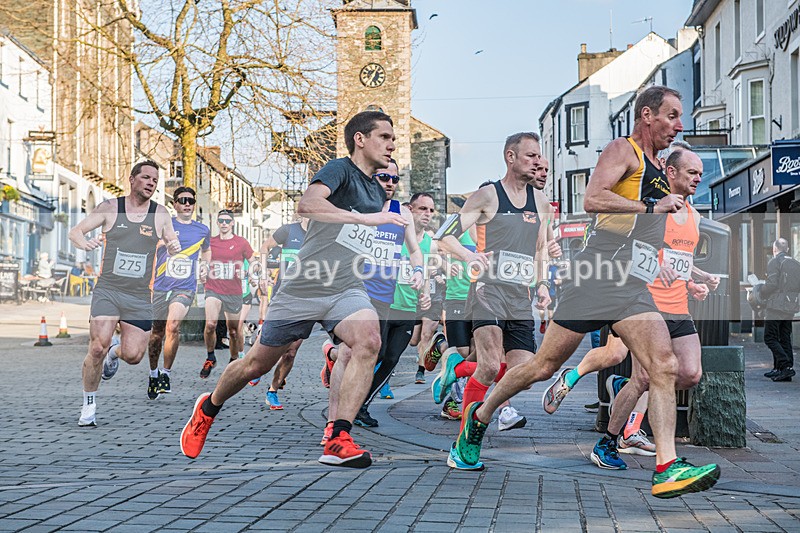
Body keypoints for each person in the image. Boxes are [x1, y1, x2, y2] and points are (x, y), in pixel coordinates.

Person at [452, 86, 721, 499]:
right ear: (647, 115)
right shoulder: (623, 149)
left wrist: (669, 265)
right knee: (541, 366)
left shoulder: (655, 167)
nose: (678, 124)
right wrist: (651, 209)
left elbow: (644, 236)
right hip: (596, 278)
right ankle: (479, 418)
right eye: (671, 115)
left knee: (663, 365)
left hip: (630, 284)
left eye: (679, 117)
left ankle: (666, 466)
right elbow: (592, 198)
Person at [180, 110, 405, 468]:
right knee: (255, 365)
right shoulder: (339, 170)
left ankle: (338, 436)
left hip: (344, 285)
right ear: (360, 139)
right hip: (304, 287)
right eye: (385, 137)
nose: (392, 144)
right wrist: (364, 218)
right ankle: (208, 408)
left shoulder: (377, 189)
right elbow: (308, 204)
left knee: (369, 341)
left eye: (393, 139)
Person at [542, 148, 720, 463]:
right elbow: (630, 250)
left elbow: (680, 259)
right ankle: (614, 439)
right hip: (642, 301)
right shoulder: (650, 211)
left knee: (689, 373)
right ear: (670, 172)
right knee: (640, 372)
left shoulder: (695, 216)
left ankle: (626, 400)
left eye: (699, 174)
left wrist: (696, 279)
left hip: (677, 305)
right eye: (692, 172)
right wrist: (652, 264)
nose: (697, 179)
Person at [434, 132, 554, 469]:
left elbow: (541, 248)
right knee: (489, 366)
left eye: (539, 156)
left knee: (526, 370)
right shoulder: (488, 195)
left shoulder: (541, 203)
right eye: (530, 156)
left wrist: (543, 282)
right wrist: (469, 257)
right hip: (488, 290)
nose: (537, 162)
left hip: (520, 295)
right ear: (511, 157)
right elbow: (444, 237)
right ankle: (465, 443)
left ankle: (458, 367)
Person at [69, 160, 180, 427]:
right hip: (108, 290)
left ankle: (114, 353)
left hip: (140, 295)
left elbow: (170, 239)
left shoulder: (161, 213)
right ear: (132, 180)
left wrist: (173, 245)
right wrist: (84, 242)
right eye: (146, 177)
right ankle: (89, 405)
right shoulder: (110, 208)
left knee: (133, 356)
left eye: (155, 180)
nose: (151, 183)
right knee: (96, 347)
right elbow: (75, 231)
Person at [323, 161, 424, 436]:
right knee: (348, 353)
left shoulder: (403, 213)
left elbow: (414, 249)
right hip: (355, 290)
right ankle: (333, 425)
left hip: (384, 296)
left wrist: (418, 271)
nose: (391, 182)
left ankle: (330, 358)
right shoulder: (354, 206)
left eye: (395, 178)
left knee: (372, 354)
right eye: (384, 177)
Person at [147, 186, 211, 399]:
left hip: (185, 287)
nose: (186, 204)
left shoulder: (202, 230)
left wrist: (205, 266)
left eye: (190, 201)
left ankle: (166, 374)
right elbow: (149, 246)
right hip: (161, 285)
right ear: (174, 204)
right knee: (156, 334)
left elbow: (207, 250)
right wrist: (164, 242)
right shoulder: (164, 225)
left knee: (172, 326)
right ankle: (153, 374)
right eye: (182, 200)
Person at [247, 216, 309, 405]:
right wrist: (264, 274)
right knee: (268, 339)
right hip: (283, 296)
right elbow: (264, 247)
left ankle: (273, 390)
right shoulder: (289, 230)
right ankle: (255, 366)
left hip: (307, 300)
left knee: (290, 352)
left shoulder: (322, 233)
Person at [198, 210, 256, 379]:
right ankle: (210, 357)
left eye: (227, 221)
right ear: (217, 223)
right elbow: (203, 261)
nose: (223, 223)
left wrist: (254, 274)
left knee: (233, 331)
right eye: (221, 220)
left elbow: (253, 262)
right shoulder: (210, 242)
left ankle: (233, 361)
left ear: (232, 223)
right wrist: (202, 271)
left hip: (233, 291)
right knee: (210, 324)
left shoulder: (241, 242)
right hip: (213, 288)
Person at [761, 238, 800, 382]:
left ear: (774, 249)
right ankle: (780, 369)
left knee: (770, 337)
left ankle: (785, 367)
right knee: (784, 337)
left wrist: (760, 292)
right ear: (788, 249)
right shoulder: (796, 263)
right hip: (791, 305)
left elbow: (771, 284)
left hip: (776, 305)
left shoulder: (774, 262)